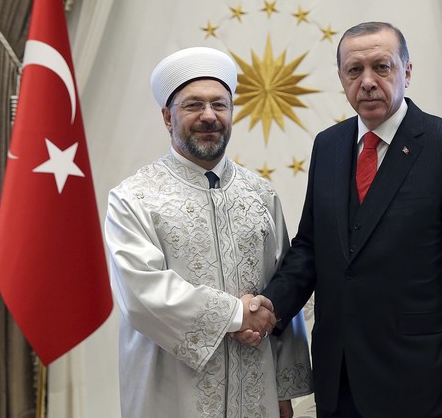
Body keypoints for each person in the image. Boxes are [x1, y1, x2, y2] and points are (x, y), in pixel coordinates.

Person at [247, 22, 442, 418]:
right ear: (341, 78)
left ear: (406, 72)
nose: (368, 82)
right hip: (337, 371)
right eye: (354, 70)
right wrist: (270, 308)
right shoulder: (328, 146)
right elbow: (310, 247)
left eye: (382, 67)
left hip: (417, 374)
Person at [104, 46, 312, 418]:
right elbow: (142, 293)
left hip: (256, 389)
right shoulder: (134, 197)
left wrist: (285, 389)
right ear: (167, 117)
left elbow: (284, 292)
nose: (208, 116)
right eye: (193, 105)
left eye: (220, 105)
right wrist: (236, 314)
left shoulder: (261, 194)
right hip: (170, 392)